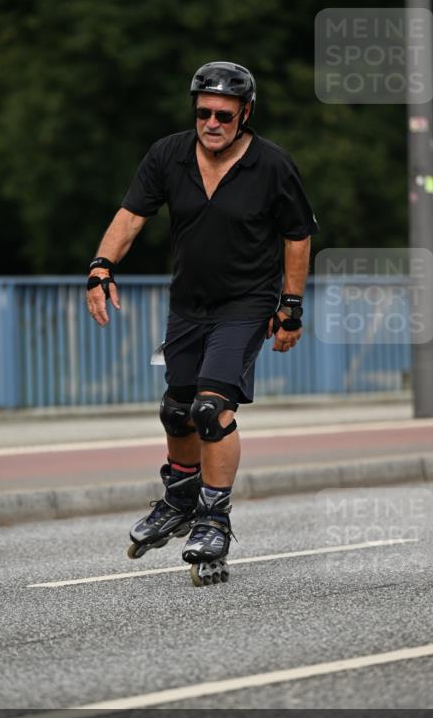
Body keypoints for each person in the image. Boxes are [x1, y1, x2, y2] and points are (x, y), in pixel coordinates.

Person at [86, 61, 318, 586]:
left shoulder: (273, 166)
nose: (212, 123)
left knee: (211, 409)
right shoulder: (168, 155)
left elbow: (297, 236)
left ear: (246, 114)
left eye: (224, 115)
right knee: (176, 412)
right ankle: (179, 498)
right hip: (187, 306)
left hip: (246, 305)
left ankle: (214, 519)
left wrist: (291, 306)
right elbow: (130, 216)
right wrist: (100, 268)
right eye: (204, 113)